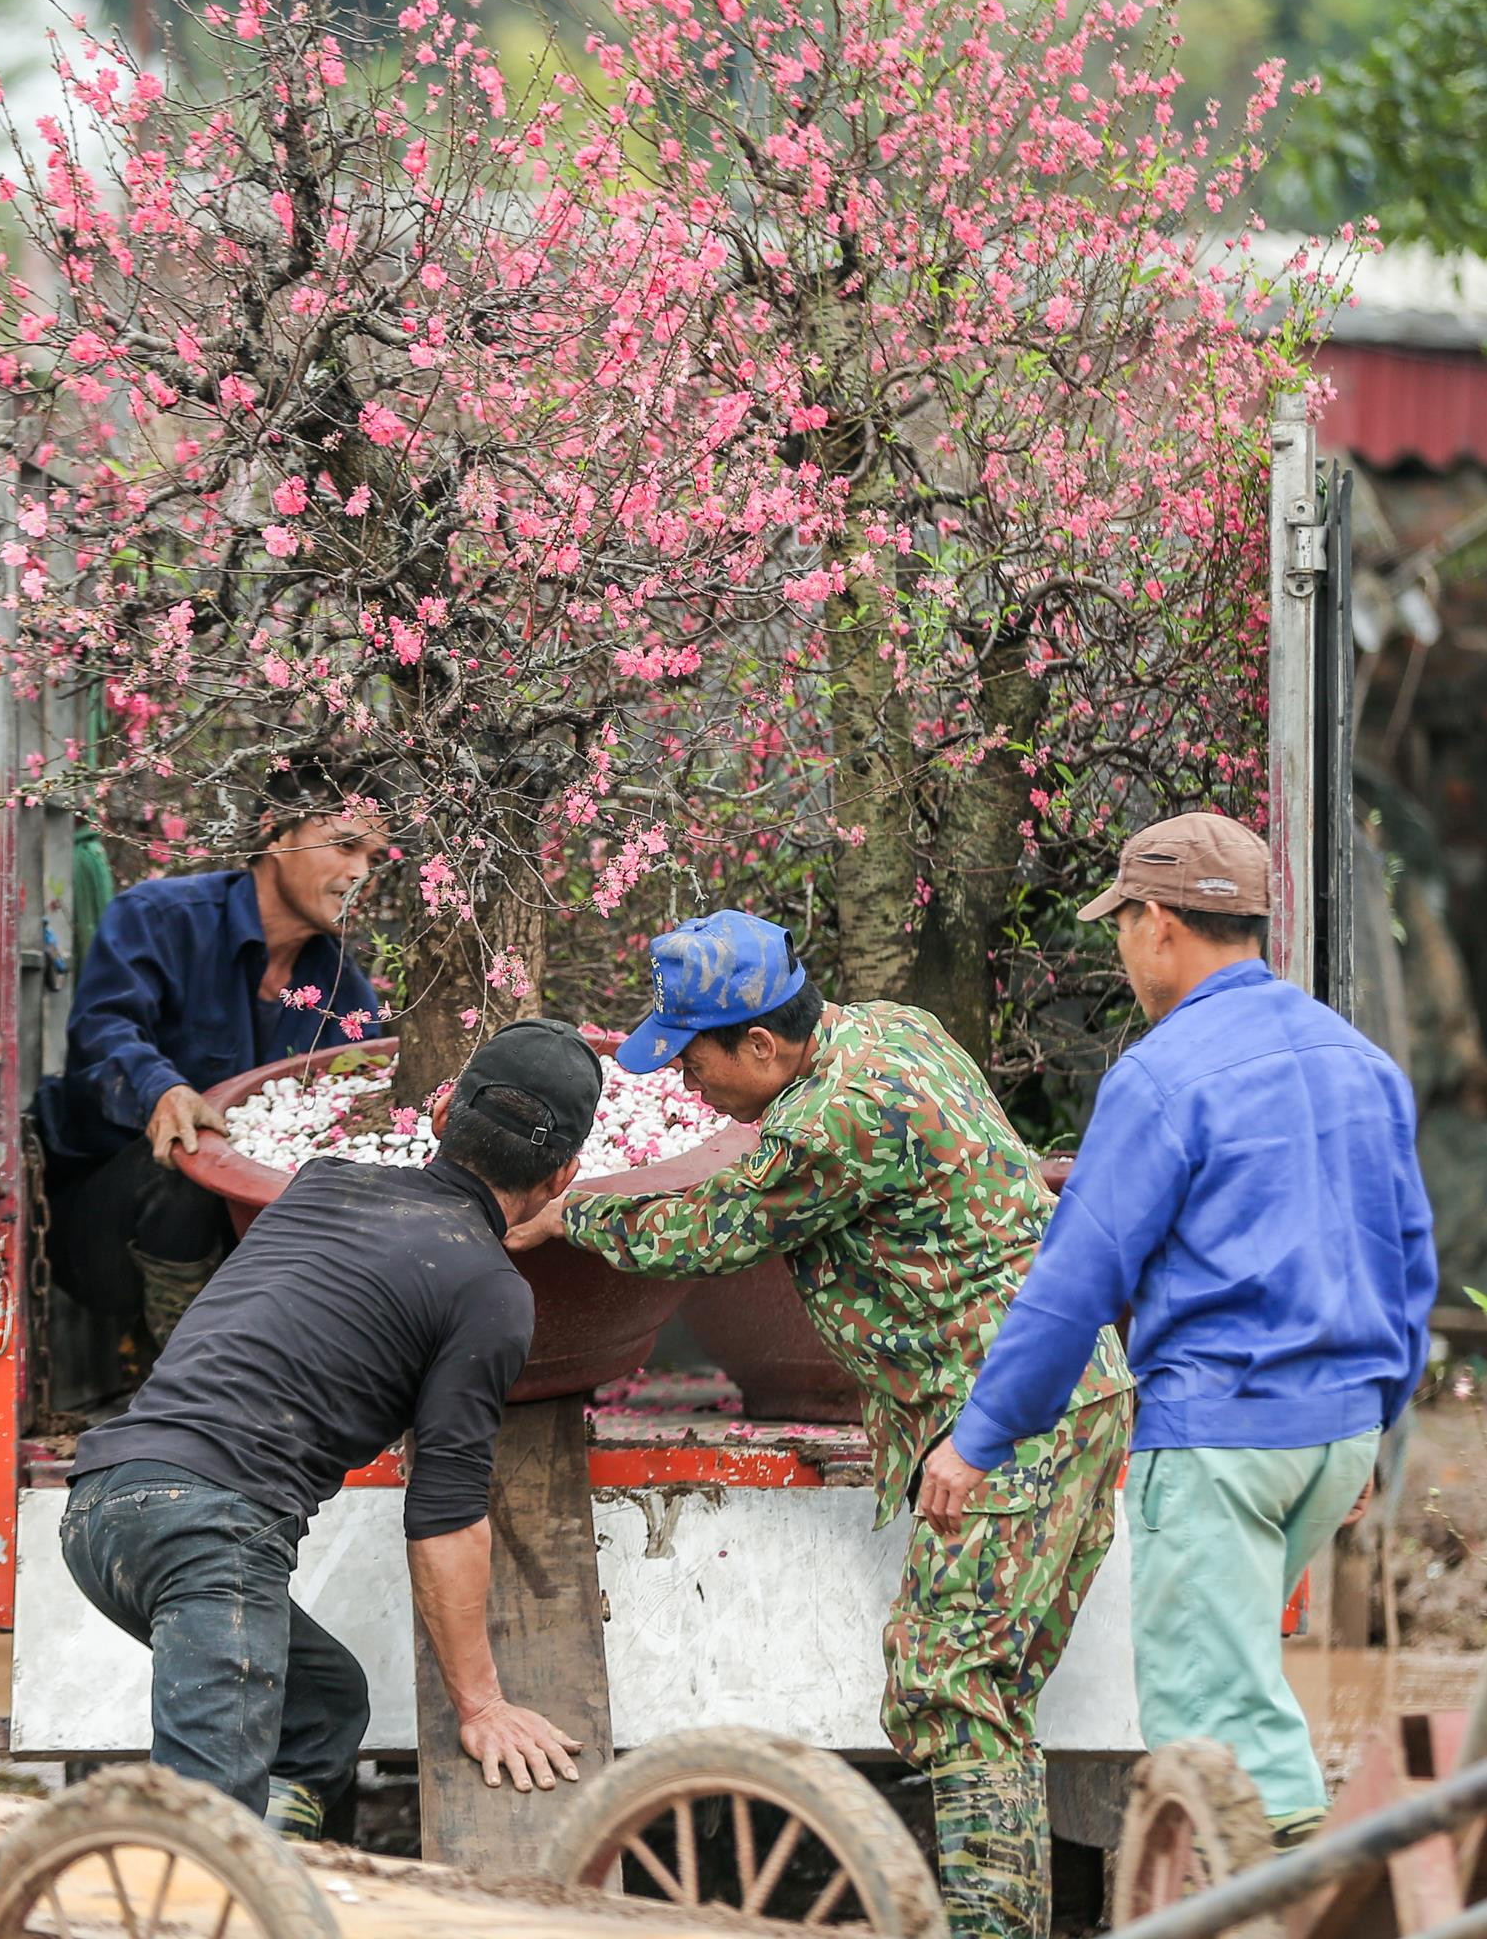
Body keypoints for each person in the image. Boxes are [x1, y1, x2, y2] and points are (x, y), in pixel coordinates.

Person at [507, 910, 1135, 1939]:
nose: (685, 1084)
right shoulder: (893, 1027)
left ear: (761, 1041)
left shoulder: (832, 1114)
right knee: (990, 1697)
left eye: (694, 1058)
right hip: (1071, 1393)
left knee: (952, 1692)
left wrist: (573, 1213)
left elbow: (714, 1228)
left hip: (1009, 1419)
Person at [920, 813, 1438, 1850]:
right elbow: (1407, 1259)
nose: (1120, 945)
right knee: (1244, 1677)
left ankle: (1295, 1898)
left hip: (1220, 1439)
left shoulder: (1160, 1076)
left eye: (1121, 923)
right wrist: (1376, 1425)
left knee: (1216, 1734)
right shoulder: (1359, 1061)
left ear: (1158, 922)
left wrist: (977, 1437)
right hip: (1330, 1437)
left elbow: (1073, 1285)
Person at [60, 1019, 603, 1837]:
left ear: (441, 1112)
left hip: (99, 1507)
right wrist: (481, 1703)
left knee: (322, 1705)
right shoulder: (487, 1288)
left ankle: (280, 1873)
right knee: (202, 1838)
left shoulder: (320, 1183)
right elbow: (447, 1511)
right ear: (566, 1172)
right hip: (210, 1528)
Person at [34, 763, 385, 1347]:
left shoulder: (346, 993)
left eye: (374, 858)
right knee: (192, 1158)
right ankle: (183, 1380)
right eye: (347, 845)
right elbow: (102, 1031)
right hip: (106, 1230)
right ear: (276, 830)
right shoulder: (158, 918)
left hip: (247, 1253)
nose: (360, 873)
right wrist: (161, 1091)